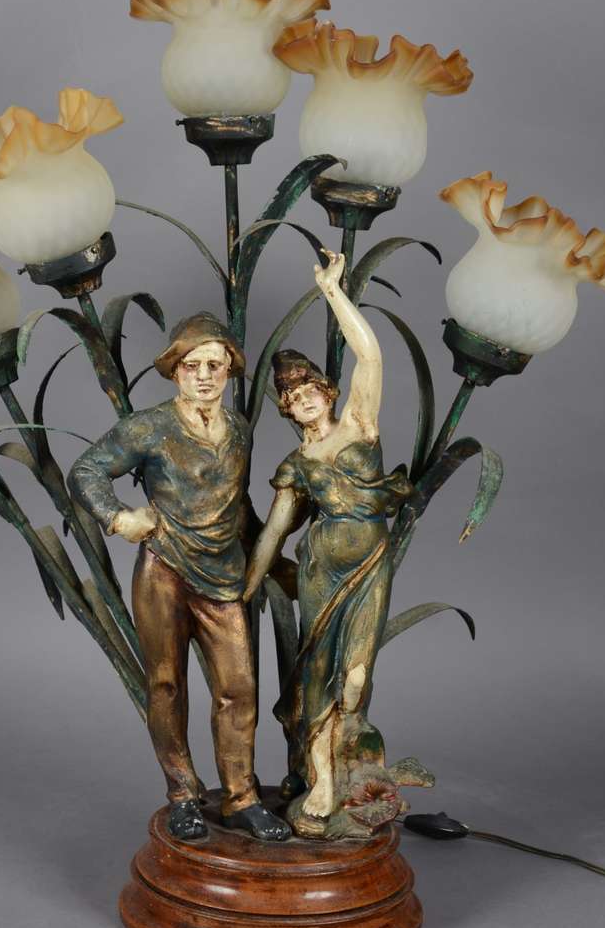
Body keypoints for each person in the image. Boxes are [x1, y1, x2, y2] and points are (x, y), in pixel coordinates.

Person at [68, 312, 291, 843]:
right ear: (175, 371)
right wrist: (118, 518)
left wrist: (270, 555)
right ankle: (184, 795)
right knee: (167, 684)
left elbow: (237, 503)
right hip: (164, 571)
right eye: (193, 366)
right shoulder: (150, 426)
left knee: (238, 688)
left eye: (215, 365)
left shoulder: (238, 430)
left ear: (231, 369)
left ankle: (241, 797)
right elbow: (86, 470)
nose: (205, 376)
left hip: (223, 577)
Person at [244, 252, 415, 837]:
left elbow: (371, 355)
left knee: (356, 676)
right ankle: (320, 781)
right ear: (288, 411)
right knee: (317, 675)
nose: (302, 400)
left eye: (309, 390)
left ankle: (346, 773)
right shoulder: (296, 464)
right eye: (291, 399)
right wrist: (248, 588)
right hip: (321, 571)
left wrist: (331, 291)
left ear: (327, 390)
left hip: (369, 563)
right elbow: (274, 532)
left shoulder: (359, 424)